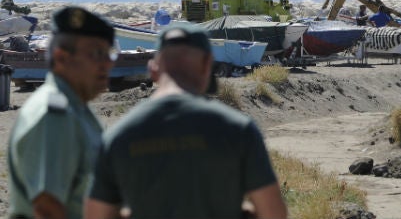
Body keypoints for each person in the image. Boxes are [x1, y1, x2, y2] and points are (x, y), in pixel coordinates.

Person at [84, 22, 287, 219]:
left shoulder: (118, 137)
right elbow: (273, 212)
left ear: (153, 69)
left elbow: (96, 214)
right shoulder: (239, 131)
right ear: (208, 64)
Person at [7, 6, 116, 219]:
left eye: (110, 53)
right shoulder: (54, 116)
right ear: (62, 57)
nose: (107, 63)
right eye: (97, 54)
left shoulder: (77, 109)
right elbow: (47, 209)